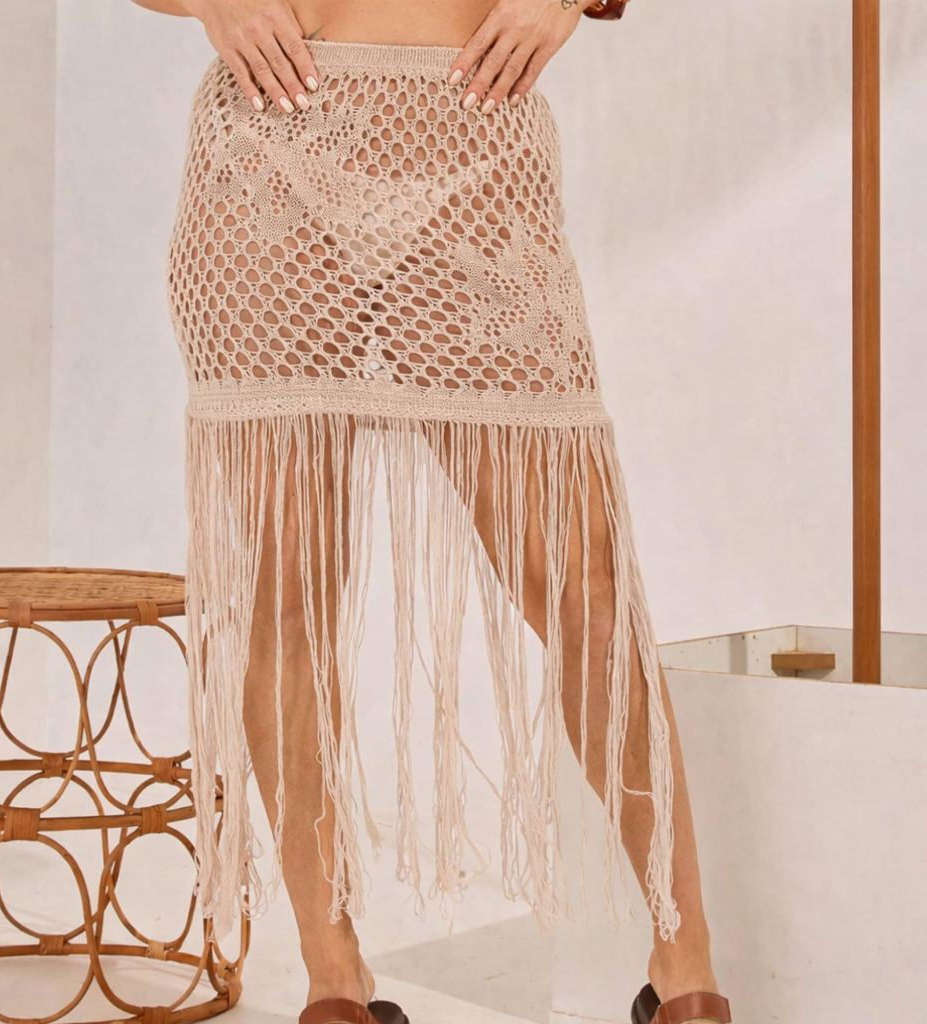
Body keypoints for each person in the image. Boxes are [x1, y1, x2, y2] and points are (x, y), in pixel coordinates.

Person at [132, 2, 732, 1023]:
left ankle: (687, 966)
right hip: (271, 147)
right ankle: (333, 977)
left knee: (584, 586)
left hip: (475, 137)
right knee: (288, 586)